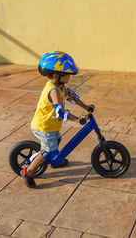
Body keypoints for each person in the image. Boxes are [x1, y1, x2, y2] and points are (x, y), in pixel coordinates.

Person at [21, 51, 94, 188]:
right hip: (44, 127)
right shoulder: (53, 91)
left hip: (51, 126)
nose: (70, 77)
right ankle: (28, 171)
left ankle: (54, 161)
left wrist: (86, 107)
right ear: (56, 76)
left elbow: (71, 96)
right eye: (67, 75)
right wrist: (78, 119)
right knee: (48, 151)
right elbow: (60, 112)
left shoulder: (59, 86)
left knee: (57, 141)